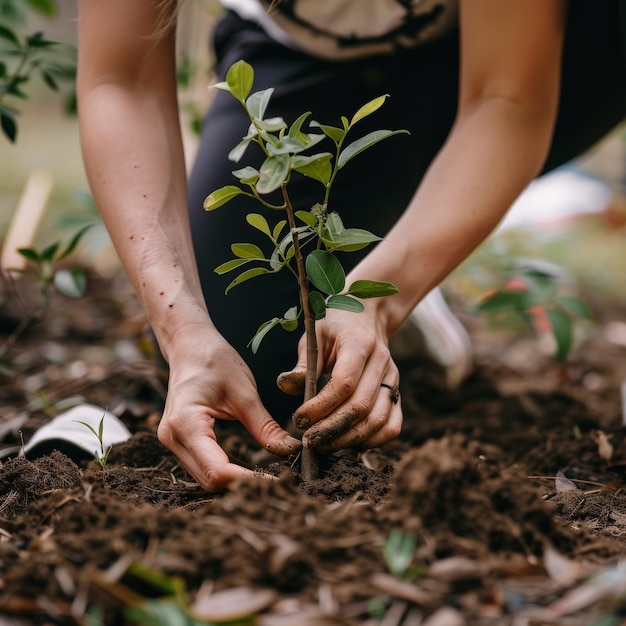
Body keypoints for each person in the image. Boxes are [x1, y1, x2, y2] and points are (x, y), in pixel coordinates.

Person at [75, 0, 626, 491]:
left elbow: (505, 96)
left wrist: (379, 298)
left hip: (559, 47)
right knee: (250, 369)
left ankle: (395, 268)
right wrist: (183, 328)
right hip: (312, 67)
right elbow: (121, 81)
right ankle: (381, 257)